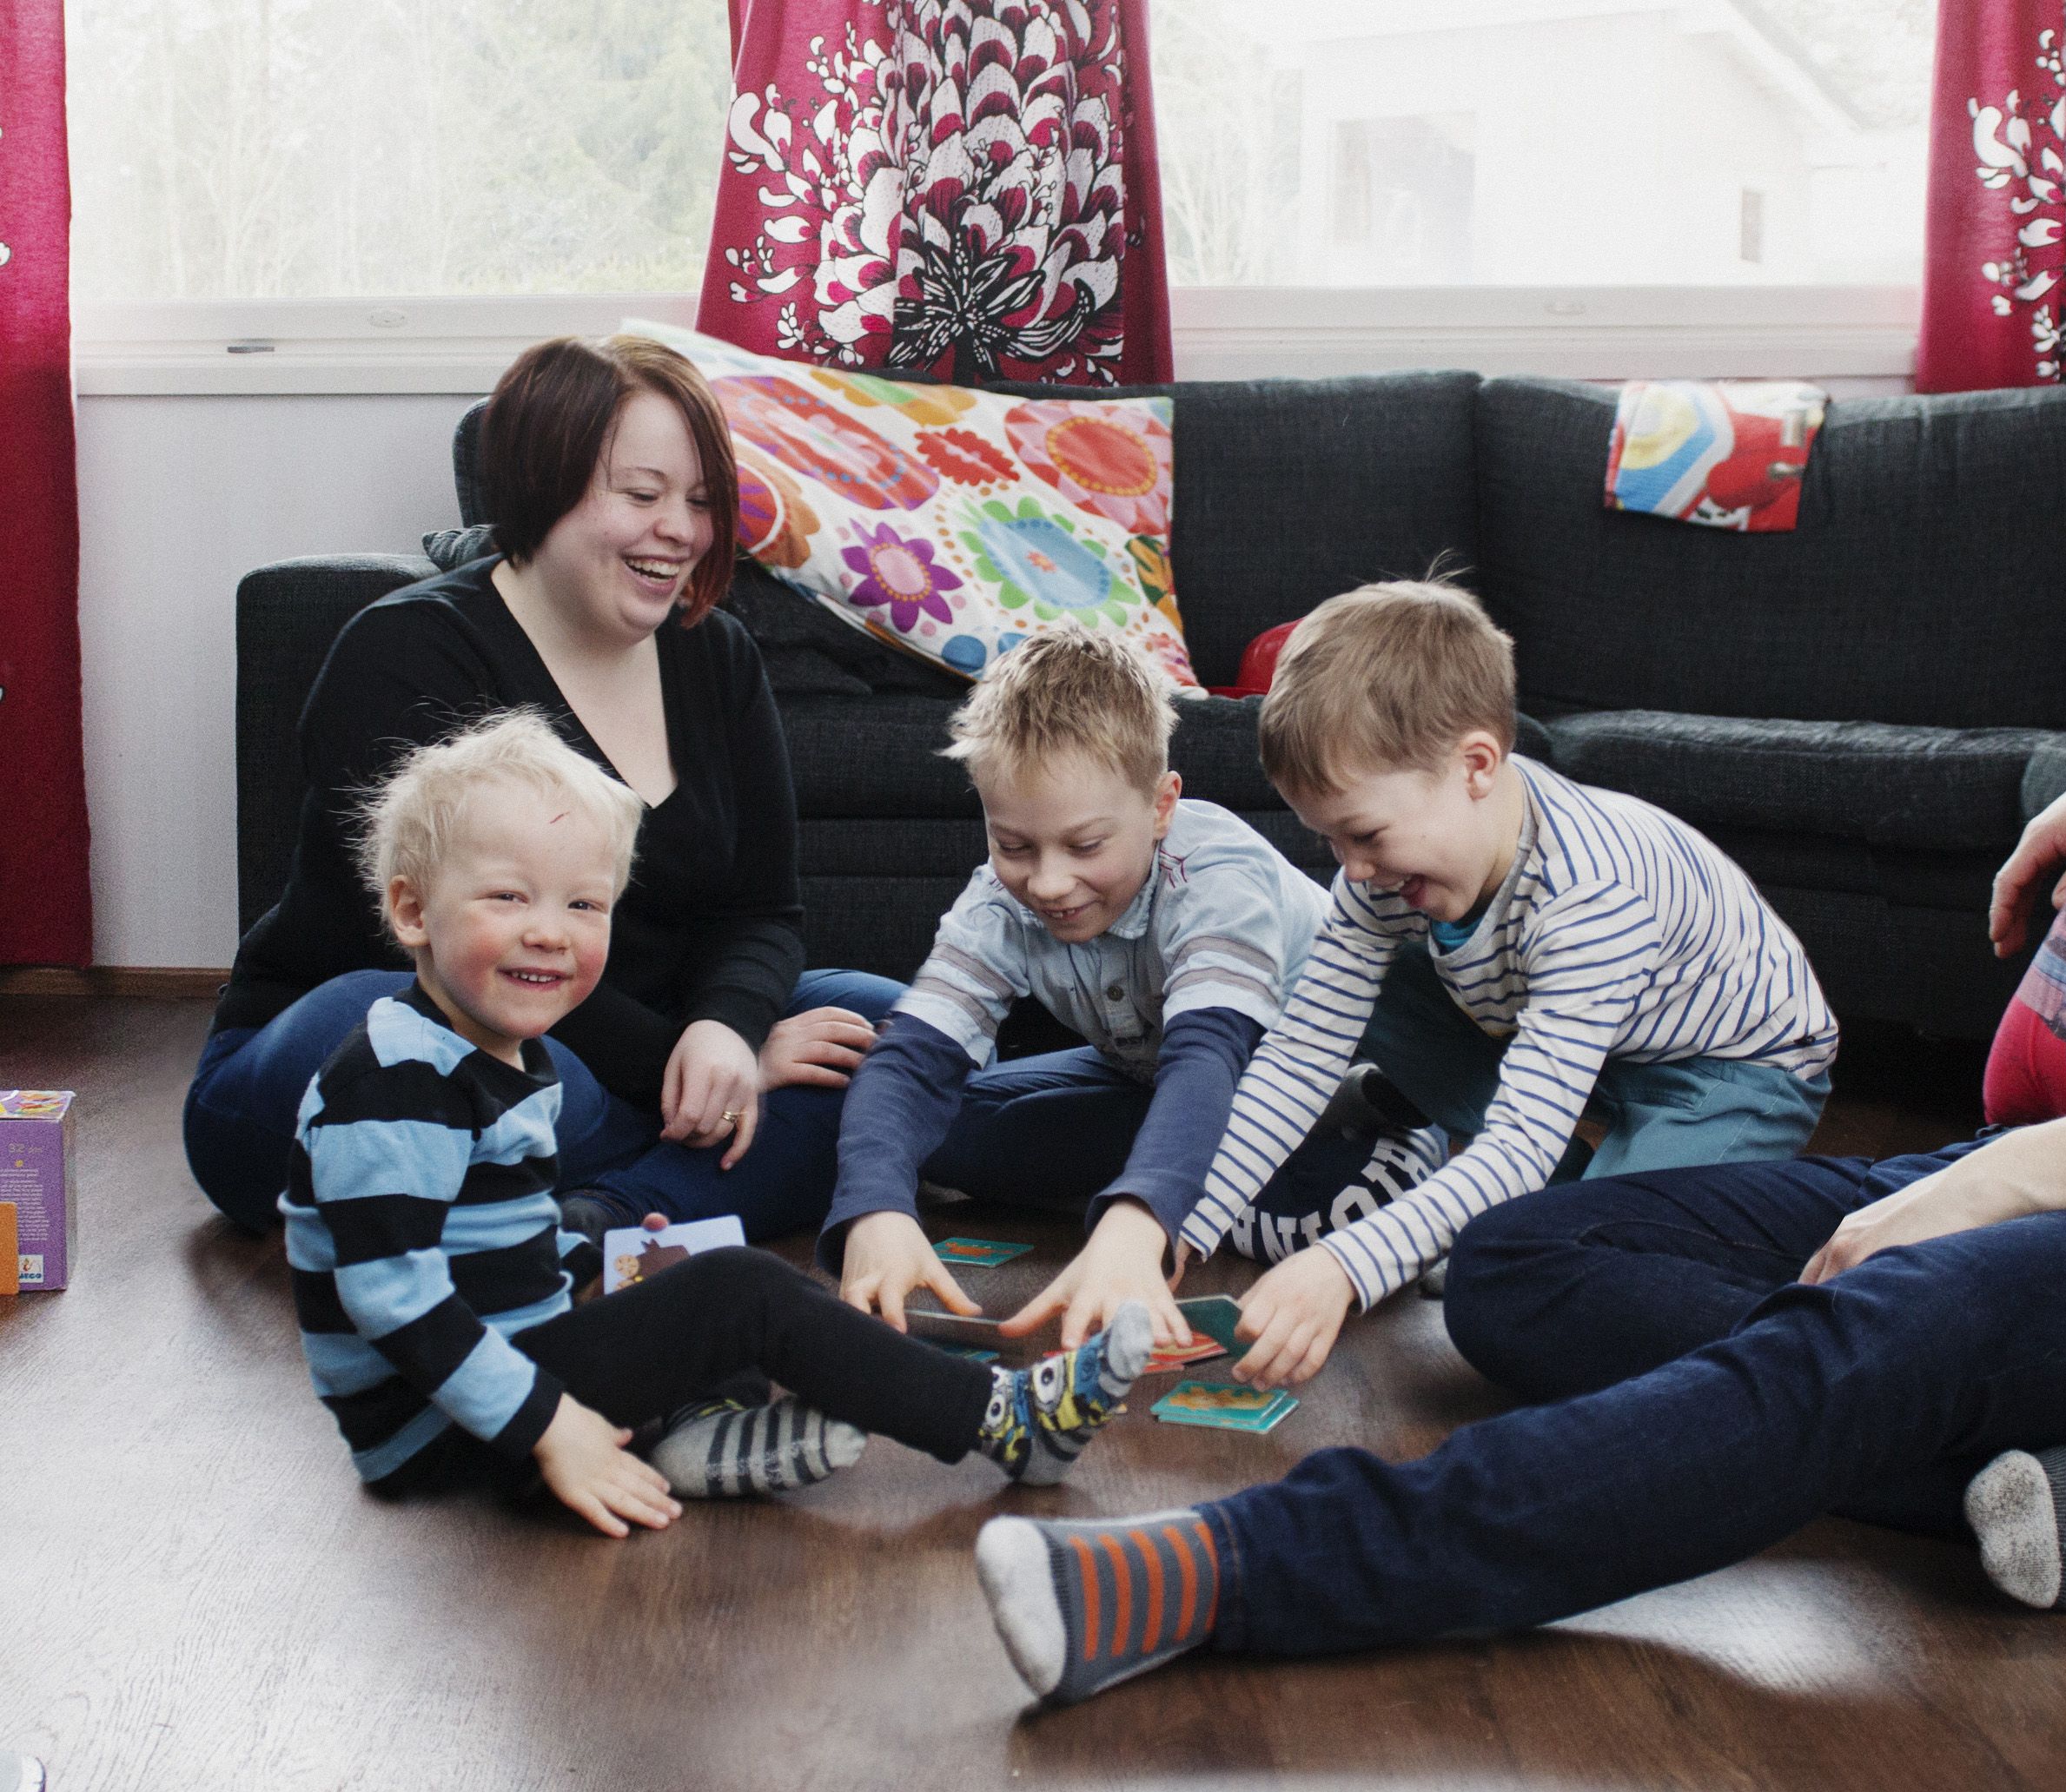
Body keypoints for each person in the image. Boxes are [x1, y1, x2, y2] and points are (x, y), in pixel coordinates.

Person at [972, 156, 2066, 1704]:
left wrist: (1980, 1189)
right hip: (2051, 1170)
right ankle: (2051, 1466)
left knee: (1880, 1322)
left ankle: (1240, 1571)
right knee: (1527, 1262)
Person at [281, 710, 1149, 1536]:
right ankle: (1007, 1421)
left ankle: (706, 1433)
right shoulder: (396, 1078)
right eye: (508, 898)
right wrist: (552, 1427)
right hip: (435, 1429)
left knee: (684, 1255)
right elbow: (391, 1296)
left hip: (491, 1378)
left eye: (583, 906)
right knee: (741, 1292)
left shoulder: (501, 1053)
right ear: (411, 913)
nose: (549, 933)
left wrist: (595, 1255)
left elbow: (487, 1253)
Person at [185, 334, 897, 1243]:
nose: (679, 530)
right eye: (641, 495)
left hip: (635, 1050)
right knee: (423, 1046)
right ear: (541, 485)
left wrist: (724, 1030)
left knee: (887, 1030)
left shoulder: (715, 656)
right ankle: (719, 1161)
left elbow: (761, 909)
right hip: (403, 1046)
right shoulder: (403, 654)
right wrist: (709, 1063)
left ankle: (597, 1220)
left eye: (701, 502)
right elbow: (445, 952)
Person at [1168, 579, 1840, 1388]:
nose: (1351, 867)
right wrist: (1184, 1224)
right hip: (1576, 1035)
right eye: (1330, 840)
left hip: (1730, 1074)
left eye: (1365, 833)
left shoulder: (1589, 897)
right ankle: (1512, 1200)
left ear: (1476, 765)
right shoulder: (1386, 873)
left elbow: (1521, 1141)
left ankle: (1766, 1252)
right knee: (1337, 967)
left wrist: (1343, 1267)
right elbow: (1299, 1053)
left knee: (1593, 1267)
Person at [823, 628, 1439, 1354]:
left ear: (1160, 805)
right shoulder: (999, 903)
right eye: (1014, 845)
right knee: (943, 1143)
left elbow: (1208, 1058)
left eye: (1085, 846)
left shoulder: (1215, 875)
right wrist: (874, 1209)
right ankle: (1183, 1174)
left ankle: (1375, 1136)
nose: (1047, 884)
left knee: (1332, 1205)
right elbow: (910, 1061)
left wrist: (1138, 1220)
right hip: (1149, 1083)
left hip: (1267, 1078)